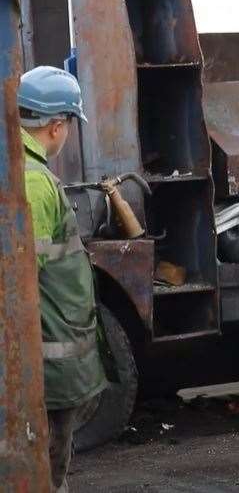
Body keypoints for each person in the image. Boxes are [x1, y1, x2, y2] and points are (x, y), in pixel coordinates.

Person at [20, 66, 106, 491]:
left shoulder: (21, 169)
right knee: (46, 476)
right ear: (57, 125)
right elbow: (22, 280)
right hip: (48, 369)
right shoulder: (34, 181)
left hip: (44, 362)